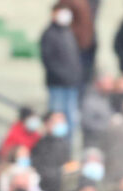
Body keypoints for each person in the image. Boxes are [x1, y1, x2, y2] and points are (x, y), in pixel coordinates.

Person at [41, 4, 83, 140]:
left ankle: (67, 149)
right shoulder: (49, 34)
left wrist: (75, 77)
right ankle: (55, 145)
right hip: (57, 84)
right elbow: (49, 61)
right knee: (57, 118)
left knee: (71, 119)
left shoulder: (68, 33)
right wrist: (64, 76)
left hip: (71, 84)